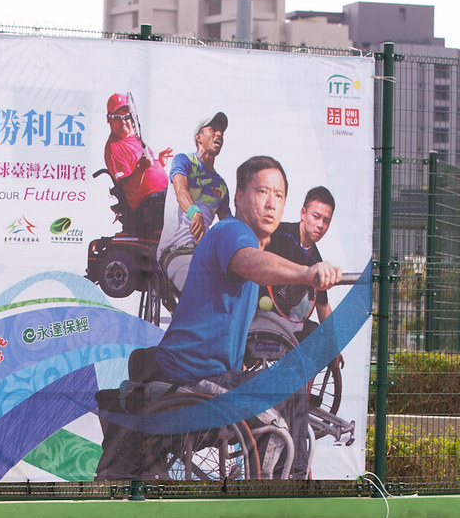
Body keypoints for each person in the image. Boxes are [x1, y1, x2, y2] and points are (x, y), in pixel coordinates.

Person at [96, 155, 341, 480]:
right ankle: (289, 491)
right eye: (262, 192)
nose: (271, 203)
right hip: (188, 377)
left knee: (287, 381)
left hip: (208, 376)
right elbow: (251, 261)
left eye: (279, 195)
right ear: (239, 197)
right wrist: (308, 272)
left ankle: (291, 481)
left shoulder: (248, 245)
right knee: (289, 387)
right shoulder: (232, 232)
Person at [263, 185, 343, 367]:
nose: (320, 225)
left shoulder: (317, 260)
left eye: (326, 220)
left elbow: (323, 307)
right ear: (303, 213)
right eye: (316, 217)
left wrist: (334, 347)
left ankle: (300, 393)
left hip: (286, 324)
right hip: (259, 315)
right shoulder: (277, 234)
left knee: (320, 338)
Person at [156, 112, 231, 296]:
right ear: (199, 137)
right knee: (201, 289)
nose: (219, 134)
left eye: (221, 131)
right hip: (175, 251)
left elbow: (227, 224)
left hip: (204, 254)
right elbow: (181, 190)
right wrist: (193, 212)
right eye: (213, 129)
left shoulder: (221, 185)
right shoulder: (184, 161)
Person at [103, 92, 172, 237]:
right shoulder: (113, 148)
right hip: (148, 207)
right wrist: (141, 168)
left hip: (161, 196)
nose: (123, 122)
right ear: (108, 119)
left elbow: (145, 167)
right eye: (117, 118)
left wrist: (159, 163)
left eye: (126, 117)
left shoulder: (133, 137)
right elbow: (128, 186)